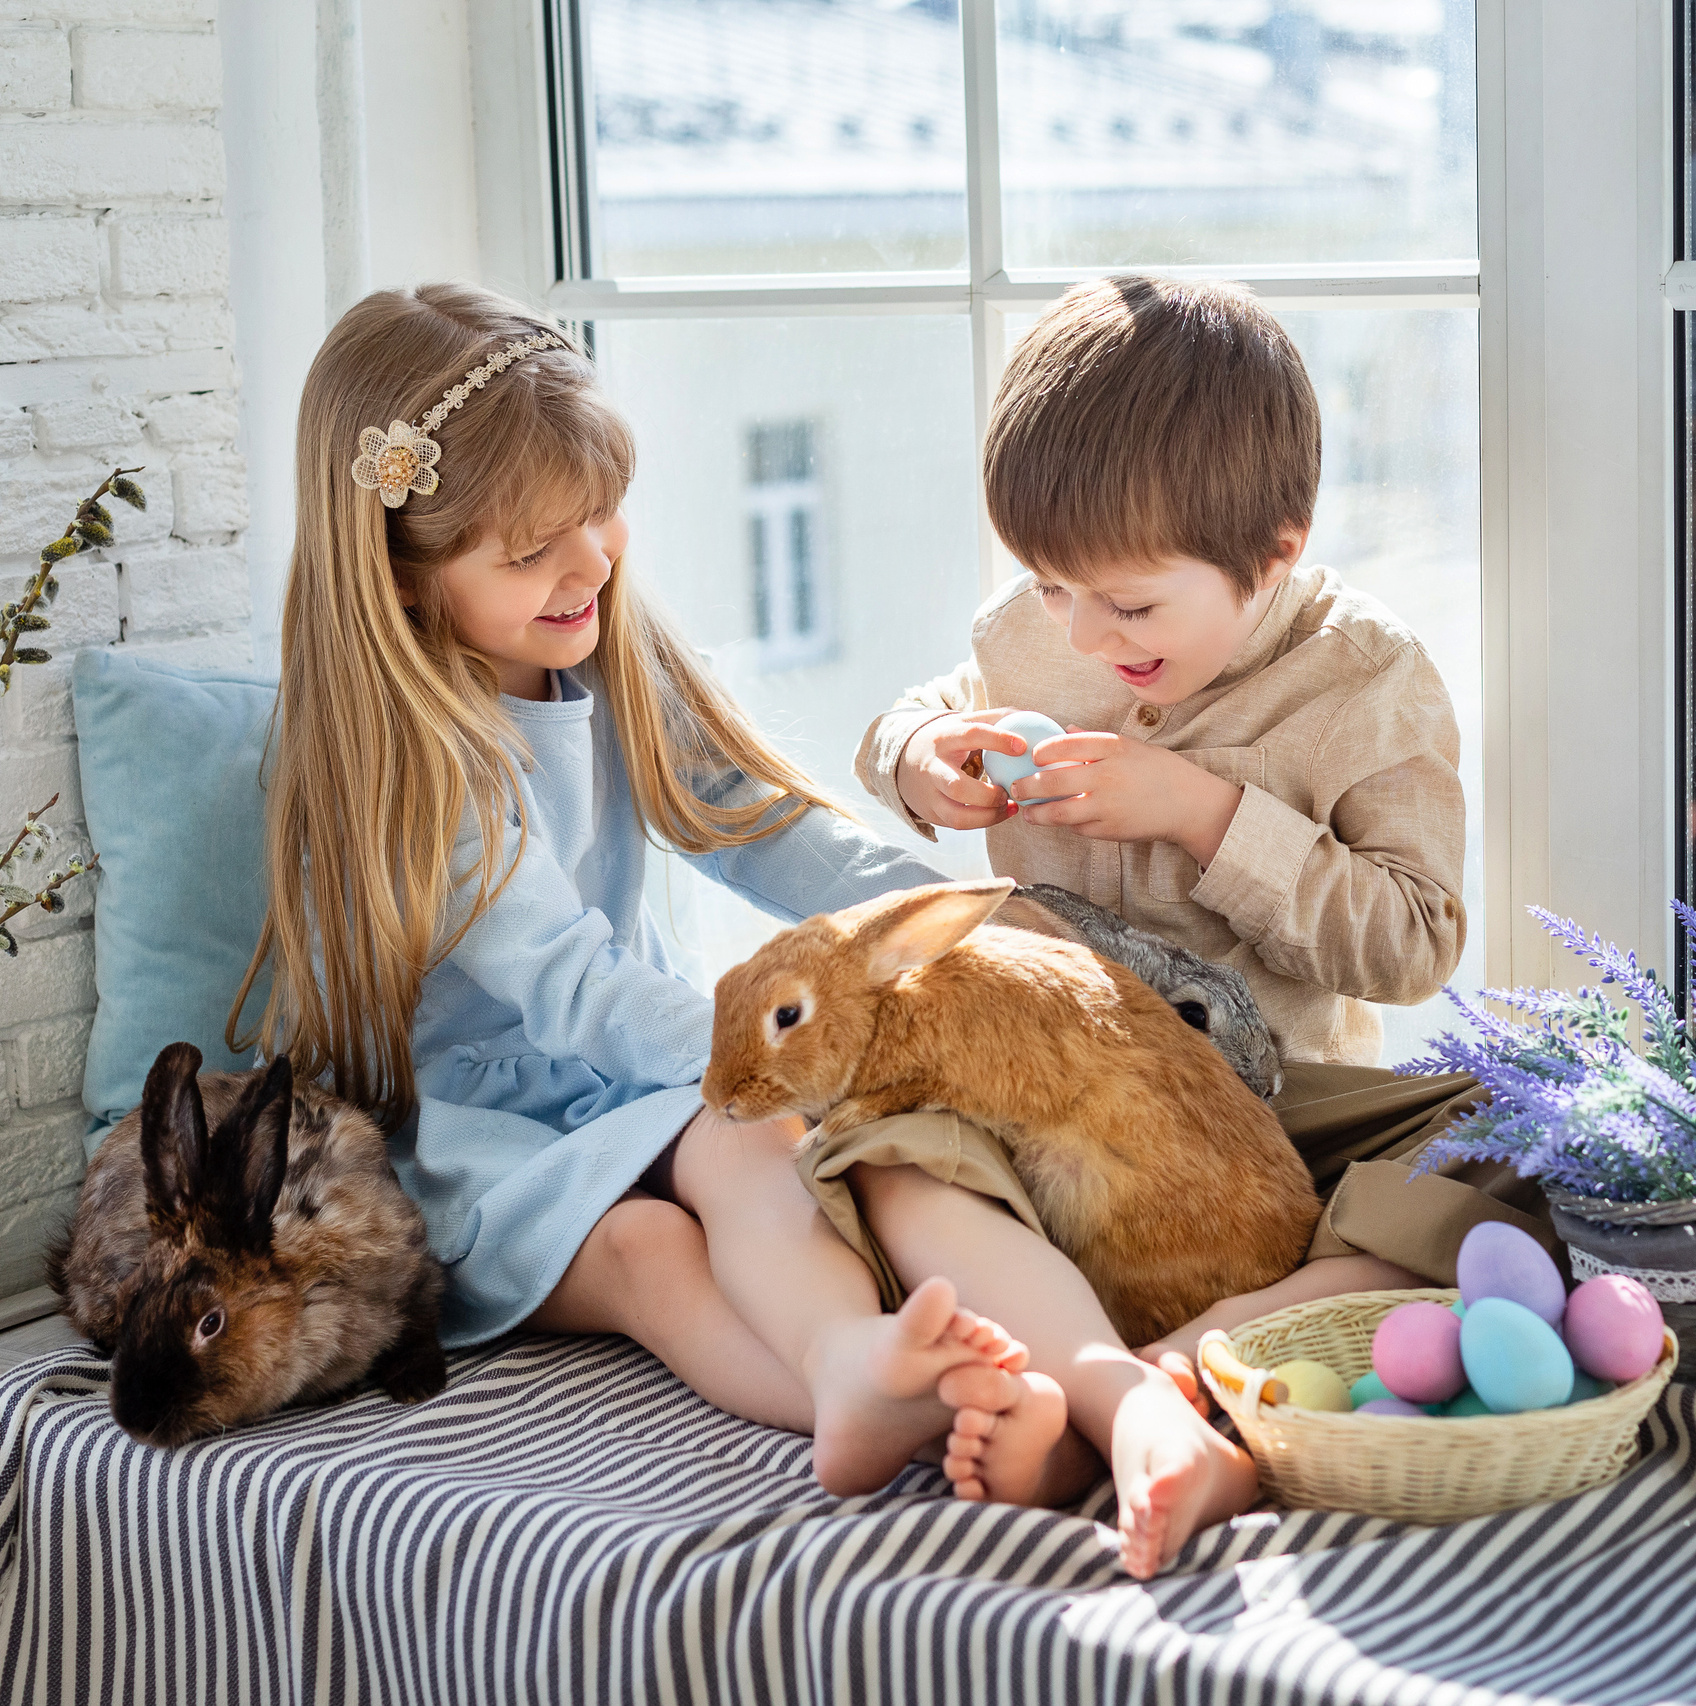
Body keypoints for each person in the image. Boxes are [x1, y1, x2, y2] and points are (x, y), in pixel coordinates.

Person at [228, 283, 1250, 1579]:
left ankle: (1120, 1401)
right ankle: (852, 1384)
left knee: (842, 1160)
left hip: (622, 1081)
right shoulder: (415, 763)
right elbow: (573, 989)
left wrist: (965, 931)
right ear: (407, 575)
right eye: (531, 547)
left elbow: (771, 827)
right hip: (480, 1136)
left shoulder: (602, 652)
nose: (590, 562)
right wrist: (808, 1055)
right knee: (653, 1241)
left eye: (599, 514)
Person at [836, 275, 1555, 1508]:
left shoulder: (1366, 680)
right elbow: (924, 709)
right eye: (1053, 587)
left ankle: (1220, 1348)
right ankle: (1081, 1384)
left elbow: (1416, 941)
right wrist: (916, 761)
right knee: (880, 1148)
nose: (1083, 631)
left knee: (1525, 1150)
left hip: (1278, 1104)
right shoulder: (1042, 624)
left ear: (1276, 551)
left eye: (1127, 604)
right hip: (1049, 1096)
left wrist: (1205, 814)